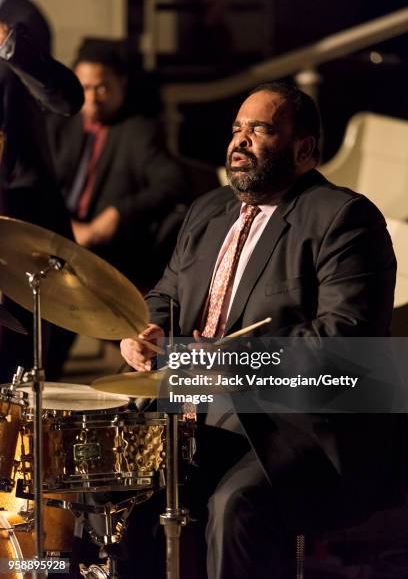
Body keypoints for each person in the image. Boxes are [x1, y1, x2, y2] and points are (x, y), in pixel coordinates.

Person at [120, 82, 406, 578]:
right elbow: (167, 293)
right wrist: (147, 328)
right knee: (120, 492)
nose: (241, 140)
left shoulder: (344, 218)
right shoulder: (208, 210)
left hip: (284, 421)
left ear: (304, 149)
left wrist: (227, 356)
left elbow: (345, 341)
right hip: (188, 405)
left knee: (236, 505)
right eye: (237, 128)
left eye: (261, 129)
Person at [47, 42, 187, 289]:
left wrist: (118, 212)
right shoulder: (58, 124)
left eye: (101, 88)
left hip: (111, 258)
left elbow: (173, 182)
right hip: (55, 242)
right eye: (85, 88)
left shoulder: (138, 130)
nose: (91, 98)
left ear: (121, 83)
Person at [0, 0, 84, 382]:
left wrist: (7, 42)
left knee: (21, 367)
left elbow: (64, 97)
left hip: (18, 212)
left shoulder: (17, 16)